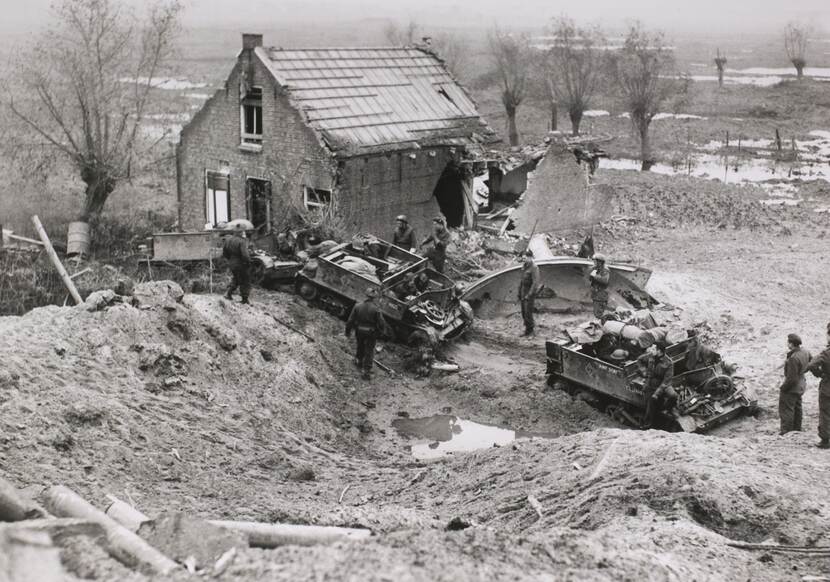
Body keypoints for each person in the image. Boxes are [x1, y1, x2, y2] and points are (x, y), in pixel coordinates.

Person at [345, 287, 392, 380]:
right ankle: (366, 372)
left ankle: (358, 361)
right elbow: (382, 323)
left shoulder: (357, 306)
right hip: (371, 333)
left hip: (359, 331)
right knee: (369, 351)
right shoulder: (376, 309)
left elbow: (350, 320)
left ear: (366, 295)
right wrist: (382, 333)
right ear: (374, 298)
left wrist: (347, 331)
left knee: (360, 346)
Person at [779, 333, 811, 435]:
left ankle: (786, 431)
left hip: (792, 387)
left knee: (787, 409)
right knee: (797, 407)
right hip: (801, 384)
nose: (787, 344)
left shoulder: (793, 358)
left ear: (791, 344)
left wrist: (783, 388)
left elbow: (791, 379)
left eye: (788, 342)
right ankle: (797, 429)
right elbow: (811, 361)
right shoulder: (805, 352)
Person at [638, 342, 676, 428]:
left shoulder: (669, 362)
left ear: (659, 351)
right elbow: (639, 360)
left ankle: (667, 409)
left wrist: (657, 393)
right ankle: (647, 424)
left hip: (663, 383)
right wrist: (644, 371)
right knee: (650, 403)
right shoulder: (650, 356)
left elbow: (667, 380)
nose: (651, 350)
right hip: (651, 382)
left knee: (673, 396)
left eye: (653, 348)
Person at [807, 323, 830, 449]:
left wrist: (820, 374)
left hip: (827, 387)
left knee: (825, 413)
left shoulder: (826, 353)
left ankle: (825, 440)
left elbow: (811, 365)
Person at [222, 227, 251, 304]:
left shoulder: (228, 240)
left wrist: (231, 259)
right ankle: (244, 299)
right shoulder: (242, 241)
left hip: (232, 263)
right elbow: (245, 255)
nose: (244, 234)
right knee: (245, 280)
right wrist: (248, 262)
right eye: (243, 232)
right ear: (241, 233)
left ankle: (228, 293)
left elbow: (224, 253)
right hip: (241, 263)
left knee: (236, 279)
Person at [517, 250, 540, 336]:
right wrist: (519, 292)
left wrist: (529, 295)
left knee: (528, 312)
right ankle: (527, 330)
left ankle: (531, 331)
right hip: (523, 291)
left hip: (529, 293)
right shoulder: (524, 266)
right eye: (522, 258)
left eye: (524, 258)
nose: (523, 259)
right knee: (524, 312)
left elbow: (535, 283)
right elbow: (521, 280)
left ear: (530, 257)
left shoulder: (534, 268)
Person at [589, 253, 610, 319]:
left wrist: (595, 276)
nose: (594, 262)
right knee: (596, 313)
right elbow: (590, 279)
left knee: (599, 314)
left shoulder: (605, 270)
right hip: (596, 295)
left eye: (595, 261)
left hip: (601, 296)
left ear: (600, 262)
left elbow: (605, 280)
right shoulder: (595, 269)